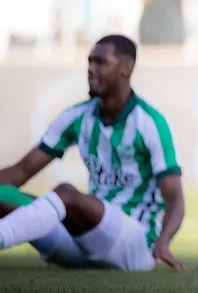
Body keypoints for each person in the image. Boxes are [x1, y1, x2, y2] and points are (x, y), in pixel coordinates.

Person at [0, 34, 186, 272]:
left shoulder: (150, 123)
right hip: (86, 243)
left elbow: (175, 197)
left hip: (136, 246)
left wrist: (164, 242)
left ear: (125, 68)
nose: (91, 69)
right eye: (89, 62)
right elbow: (22, 171)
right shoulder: (77, 116)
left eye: (100, 62)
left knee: (66, 194)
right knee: (4, 196)